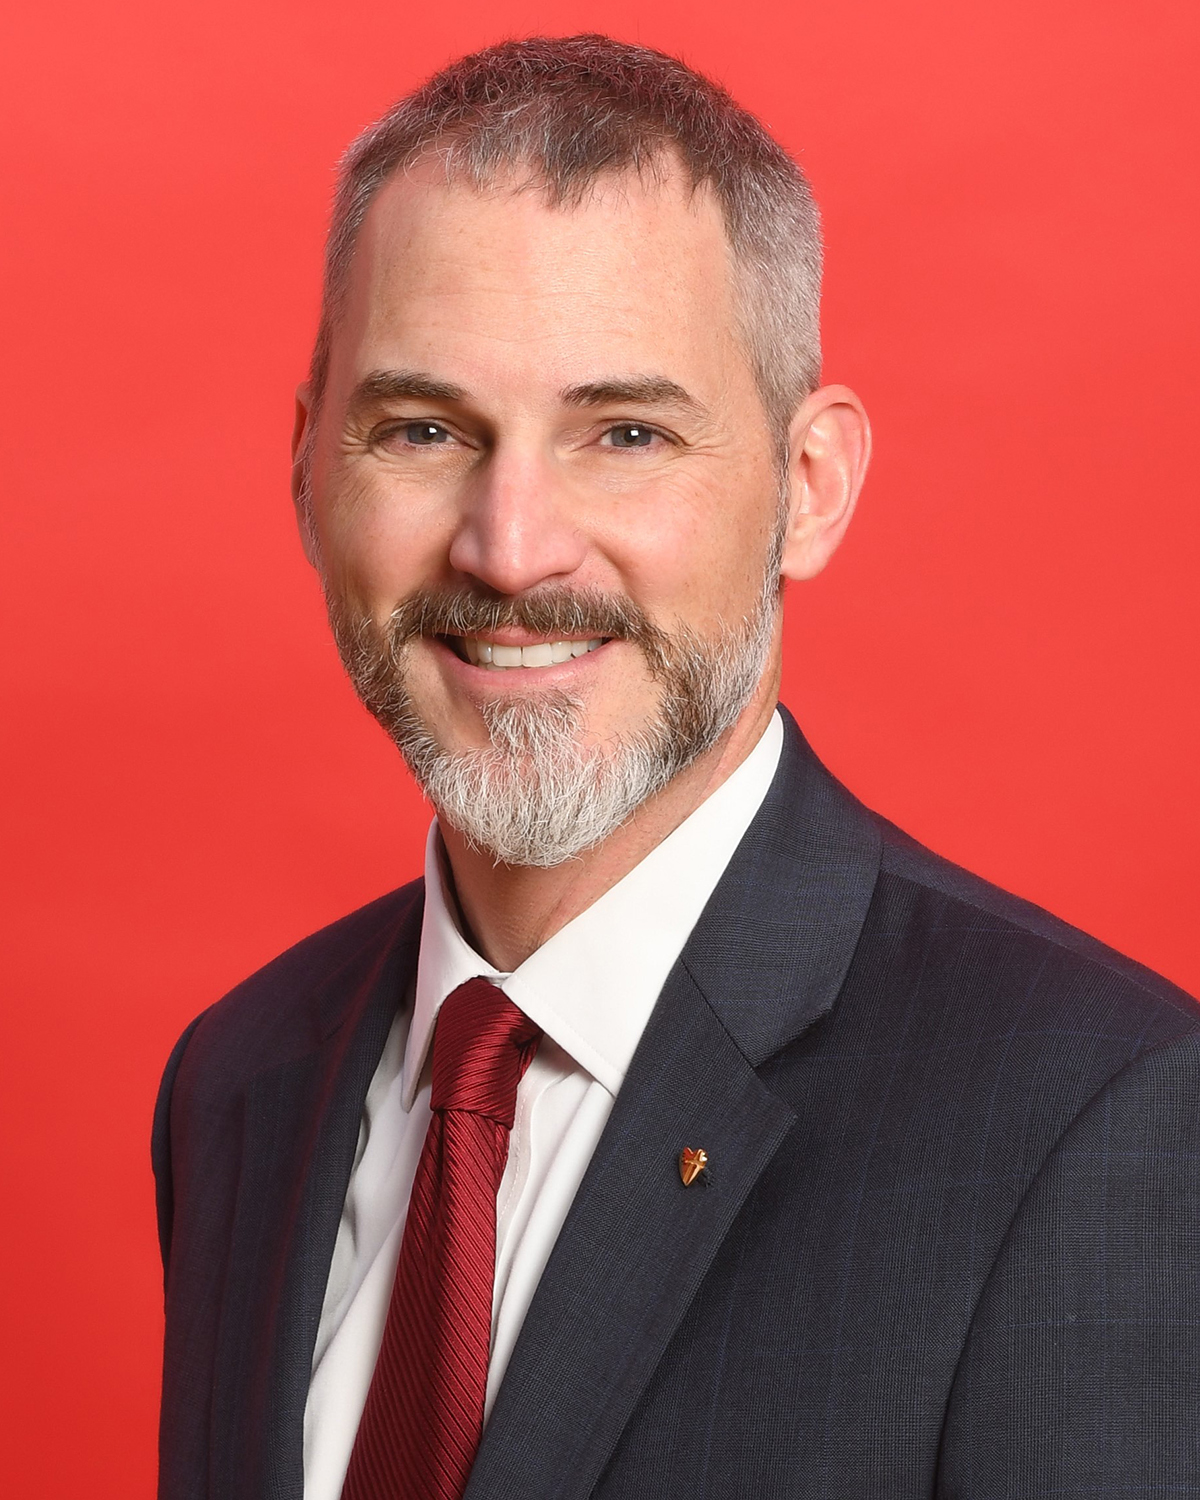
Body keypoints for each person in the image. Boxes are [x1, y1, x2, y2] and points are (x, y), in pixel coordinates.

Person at [152, 34, 1200, 1500]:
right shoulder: (239, 1083)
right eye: (424, 429)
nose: (510, 548)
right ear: (308, 467)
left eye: (626, 432)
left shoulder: (1091, 1117)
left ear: (809, 488)